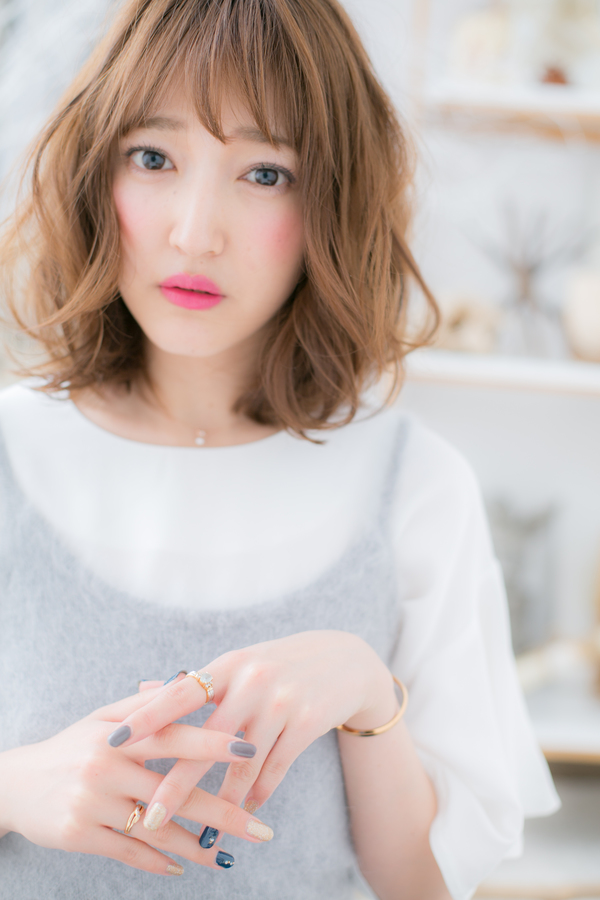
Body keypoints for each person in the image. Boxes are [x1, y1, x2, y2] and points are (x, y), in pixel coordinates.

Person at [0, 1, 559, 898]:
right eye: (153, 158)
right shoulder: (11, 450)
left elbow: (426, 886)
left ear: (332, 201)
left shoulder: (415, 483)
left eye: (265, 173)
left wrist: (369, 696)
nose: (195, 231)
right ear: (94, 170)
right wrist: (17, 788)